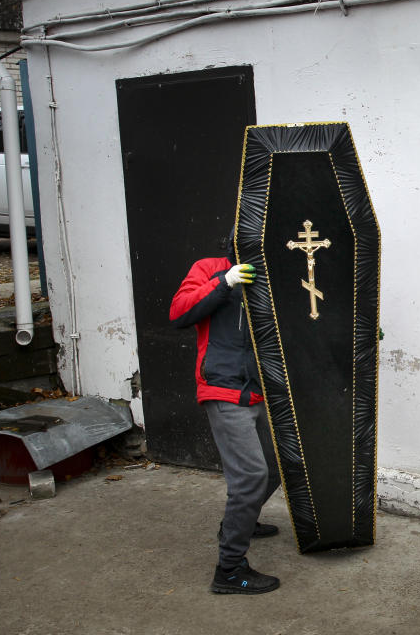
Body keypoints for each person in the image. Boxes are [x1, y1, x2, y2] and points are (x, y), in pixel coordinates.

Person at [169, 238, 282, 595]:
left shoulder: (274, 274)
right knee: (250, 475)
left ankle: (238, 522)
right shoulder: (209, 268)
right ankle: (230, 570)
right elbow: (179, 313)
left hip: (263, 389)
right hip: (223, 388)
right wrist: (225, 281)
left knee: (278, 464)